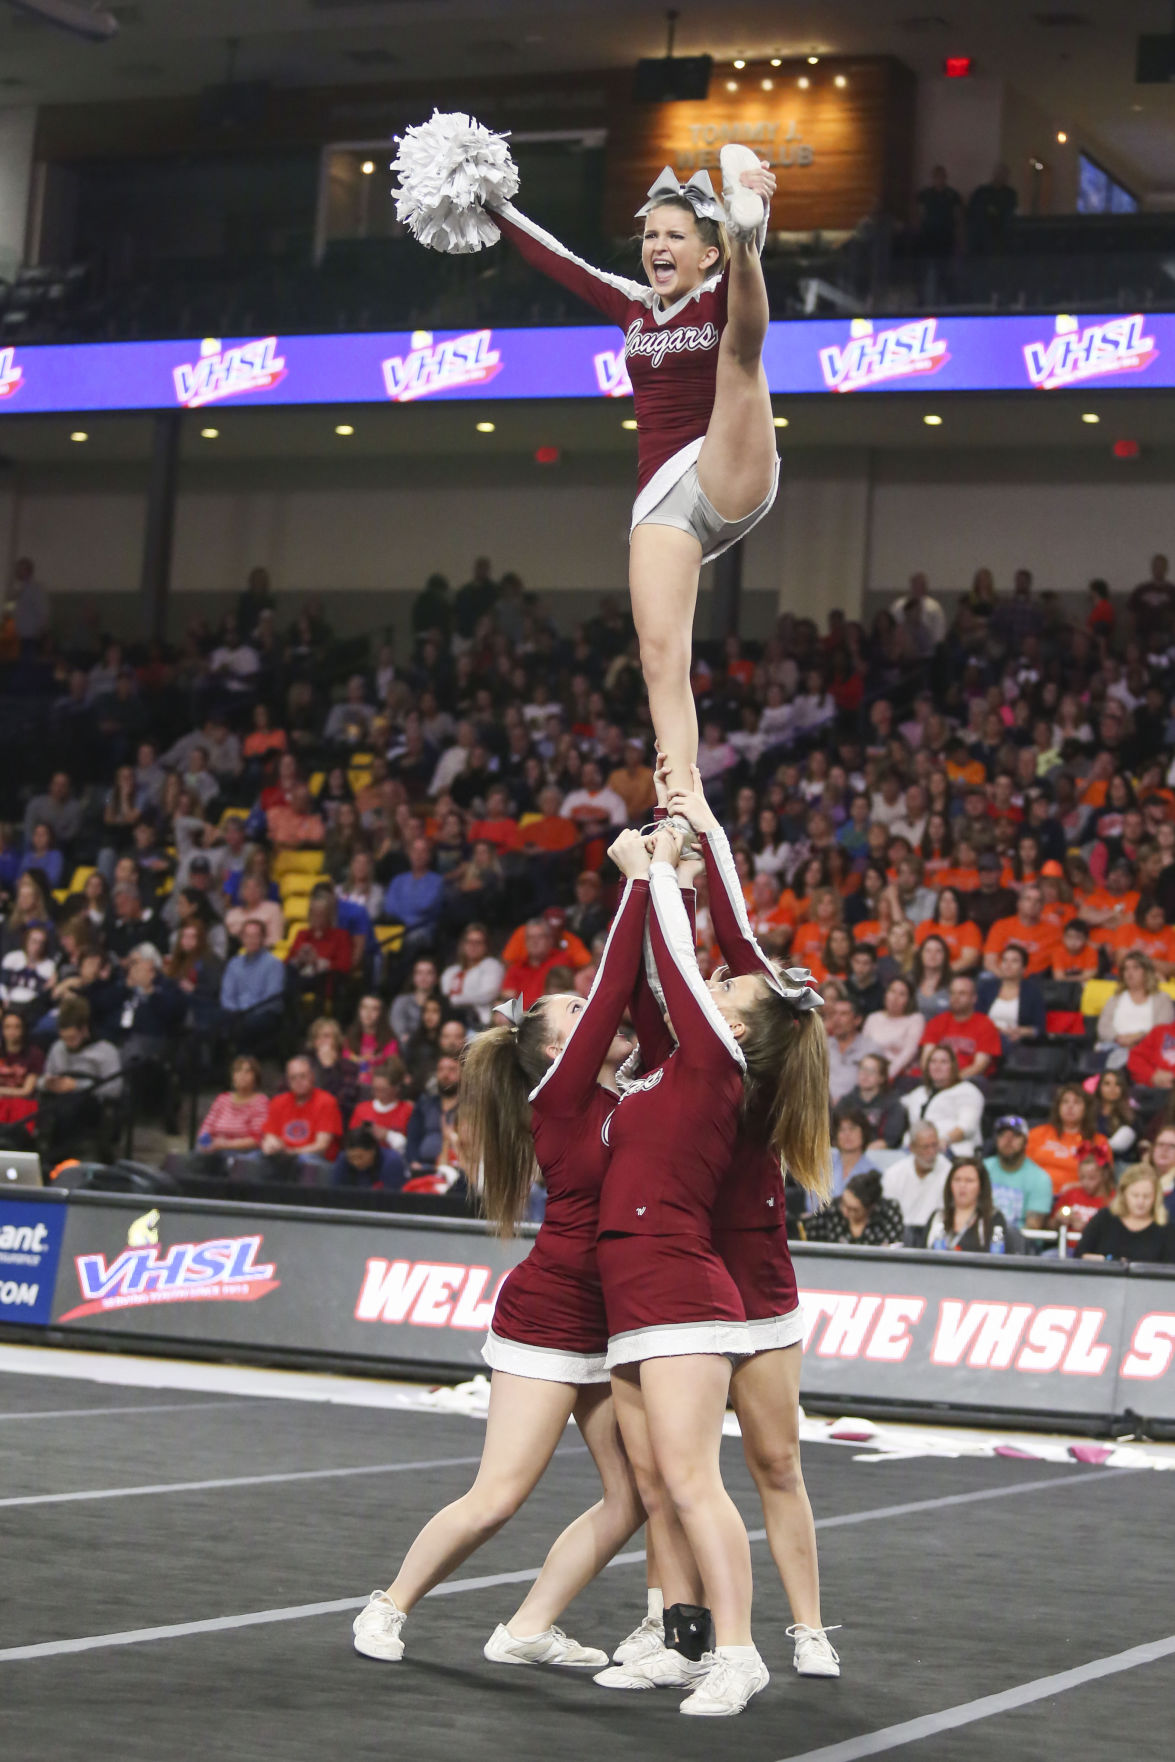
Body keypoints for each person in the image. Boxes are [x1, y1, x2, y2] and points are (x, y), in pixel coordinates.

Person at [398, 117, 781, 805]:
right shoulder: (632, 308)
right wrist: (486, 198)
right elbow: (558, 261)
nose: (657, 246)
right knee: (659, 654)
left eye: (675, 236)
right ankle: (679, 796)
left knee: (739, 348)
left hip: (731, 458)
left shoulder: (714, 293)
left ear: (705, 254)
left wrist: (739, 250)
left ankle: (752, 232)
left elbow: (740, 329)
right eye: (650, 236)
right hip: (665, 496)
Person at [352, 829, 654, 1676]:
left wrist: (677, 888)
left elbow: (644, 994)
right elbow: (618, 983)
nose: (589, 1008)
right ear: (561, 1046)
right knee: (498, 1497)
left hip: (617, 1317)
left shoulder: (624, 1090)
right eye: (573, 1010)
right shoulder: (558, 1096)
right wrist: (639, 880)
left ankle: (528, 1626)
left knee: (635, 1496)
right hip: (553, 1312)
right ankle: (388, 1605)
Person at [591, 779, 830, 1714]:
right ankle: (676, 1621)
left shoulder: (739, 1057)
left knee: (770, 1461)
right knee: (667, 1467)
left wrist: (666, 867)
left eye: (732, 985)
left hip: (740, 1262)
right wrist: (695, 843)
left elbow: (716, 965)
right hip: (678, 1255)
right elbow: (703, 953)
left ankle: (802, 1626)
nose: (731, 975)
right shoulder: (710, 1041)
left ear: (737, 1019)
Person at [243, 1055, 343, 1185]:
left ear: (312, 1077)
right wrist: (271, 1145)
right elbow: (269, 1136)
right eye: (293, 1078)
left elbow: (321, 1146)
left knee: (306, 1163)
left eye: (302, 1076)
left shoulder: (327, 1101)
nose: (298, 1081)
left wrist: (291, 1152)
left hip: (314, 1159)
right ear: (287, 1081)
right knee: (248, 1160)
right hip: (282, 1157)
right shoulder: (278, 1102)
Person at [1077, 1163, 1174, 1264]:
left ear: (1155, 1197)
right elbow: (1080, 1254)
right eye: (1135, 1195)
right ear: (1124, 1194)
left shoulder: (1166, 1229)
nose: (1140, 1201)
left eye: (1147, 1196)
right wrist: (1110, 1261)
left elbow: (1170, 1269)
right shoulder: (1104, 1218)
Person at [1027, 1085, 1111, 1195]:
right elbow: (1021, 1168)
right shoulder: (1037, 1133)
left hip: (1076, 1197)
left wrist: (1077, 1187)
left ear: (1086, 1109)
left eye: (1077, 1102)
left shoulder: (1098, 1141)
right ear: (1058, 1107)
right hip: (1034, 1194)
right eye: (1065, 1102)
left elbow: (1106, 1180)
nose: (1070, 1106)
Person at [192, 1056, 270, 1173]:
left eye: (248, 1071)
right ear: (232, 1076)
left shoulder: (261, 1101)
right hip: (215, 1149)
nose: (242, 1075)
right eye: (238, 1071)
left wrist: (225, 1144)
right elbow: (206, 1128)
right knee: (197, 1155)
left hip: (243, 1153)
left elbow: (256, 1139)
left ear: (256, 1077)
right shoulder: (222, 1099)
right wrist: (206, 1144)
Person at [901, 1045, 984, 1156]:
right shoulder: (918, 1093)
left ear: (953, 1066)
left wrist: (941, 1142)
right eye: (933, 1062)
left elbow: (966, 1127)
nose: (937, 1066)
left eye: (943, 1062)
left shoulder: (967, 1091)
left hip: (952, 1150)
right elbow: (897, 1104)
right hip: (912, 1151)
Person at [920, 974, 1002, 1081]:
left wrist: (951, 1081)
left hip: (969, 1082)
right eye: (952, 993)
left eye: (962, 993)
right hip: (936, 1080)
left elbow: (979, 1066)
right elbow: (926, 1059)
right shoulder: (936, 1022)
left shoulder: (986, 1024)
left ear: (974, 998)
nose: (956, 997)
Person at [220, 920, 286, 1049]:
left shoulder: (274, 964)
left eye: (255, 936)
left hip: (262, 1013)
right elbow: (227, 996)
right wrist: (235, 1012)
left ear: (263, 938)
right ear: (242, 938)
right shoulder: (234, 963)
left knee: (248, 1025)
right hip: (235, 1013)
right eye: (247, 936)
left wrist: (245, 1013)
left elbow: (272, 998)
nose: (251, 940)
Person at [1096, 954, 1174, 1064]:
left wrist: (1137, 1037)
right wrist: (1118, 1038)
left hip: (1148, 1048)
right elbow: (1103, 1027)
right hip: (1114, 1045)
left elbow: (1163, 1028)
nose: (1129, 973)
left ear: (1147, 972)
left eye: (1136, 968)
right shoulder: (1115, 999)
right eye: (1126, 969)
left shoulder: (1162, 999)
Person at [881, 1123, 952, 1243]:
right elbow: (887, 1214)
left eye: (934, 1145)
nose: (931, 1152)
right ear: (912, 1148)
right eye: (925, 1147)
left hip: (936, 1236)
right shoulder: (893, 1174)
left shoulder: (950, 1172)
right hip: (900, 1234)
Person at [925, 1159, 1010, 1254]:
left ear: (981, 1186)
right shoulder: (937, 1217)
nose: (962, 1185)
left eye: (969, 1181)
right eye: (957, 1180)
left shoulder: (993, 1218)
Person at [983, 1116, 1053, 1232]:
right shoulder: (982, 1169)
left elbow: (1033, 1226)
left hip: (1021, 1244)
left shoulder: (1040, 1178)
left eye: (1015, 1135)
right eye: (1002, 1135)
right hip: (983, 1237)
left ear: (1025, 1141)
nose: (1008, 1140)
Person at [804, 1170, 904, 1248]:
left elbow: (895, 1246)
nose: (845, 1212)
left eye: (854, 1210)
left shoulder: (888, 1212)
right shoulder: (829, 1209)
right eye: (843, 1203)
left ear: (870, 1207)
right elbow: (809, 1243)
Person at [977, 943, 1045, 1044]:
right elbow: (976, 1018)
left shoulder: (1033, 992)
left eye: (1014, 961)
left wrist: (1021, 1031)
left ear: (1024, 968)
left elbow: (1039, 1029)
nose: (1008, 965)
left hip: (1019, 1044)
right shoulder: (987, 988)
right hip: (985, 1040)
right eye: (1005, 960)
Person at [440, 923, 504, 1026]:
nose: (473, 946)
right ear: (463, 944)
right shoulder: (451, 971)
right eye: (469, 942)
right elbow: (445, 997)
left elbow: (487, 995)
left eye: (478, 942)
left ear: (486, 946)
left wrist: (455, 999)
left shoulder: (492, 965)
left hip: (481, 1022)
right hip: (451, 1022)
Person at [862, 977, 924, 1082]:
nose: (895, 997)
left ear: (909, 1000)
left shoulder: (915, 1019)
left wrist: (886, 1076)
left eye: (902, 994)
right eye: (892, 991)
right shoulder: (873, 1018)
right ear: (886, 994)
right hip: (870, 1073)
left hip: (900, 1076)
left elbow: (909, 1052)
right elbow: (864, 1049)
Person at [841, 1052, 906, 1150]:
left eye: (871, 1071)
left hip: (881, 1154)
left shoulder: (892, 1104)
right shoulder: (846, 1101)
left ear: (882, 1078)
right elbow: (834, 1130)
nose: (865, 1075)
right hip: (848, 1152)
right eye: (862, 1069)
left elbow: (889, 1140)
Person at [349, 1057, 413, 1154]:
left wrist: (387, 1135)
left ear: (396, 1088)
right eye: (375, 1089)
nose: (378, 1093)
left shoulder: (407, 1110)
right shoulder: (362, 1109)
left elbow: (413, 1146)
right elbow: (352, 1142)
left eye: (383, 1089)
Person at [1051, 1145, 1116, 1240]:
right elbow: (1050, 1225)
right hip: (1066, 1248)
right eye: (1082, 1178)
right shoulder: (1070, 1194)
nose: (1085, 1183)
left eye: (1092, 1178)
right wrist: (1058, 1220)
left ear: (1105, 1175)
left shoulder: (1114, 1200)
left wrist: (1087, 1228)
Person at [825, 1109, 881, 1204]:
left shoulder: (873, 1172)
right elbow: (812, 1205)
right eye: (841, 1130)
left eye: (852, 1128)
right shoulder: (823, 1166)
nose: (847, 1134)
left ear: (863, 1132)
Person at [330, 1124, 406, 1193]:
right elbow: (336, 1192)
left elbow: (394, 1198)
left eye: (360, 1157)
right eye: (351, 1158)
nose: (355, 1162)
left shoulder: (392, 1162)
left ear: (372, 1151)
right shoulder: (343, 1159)